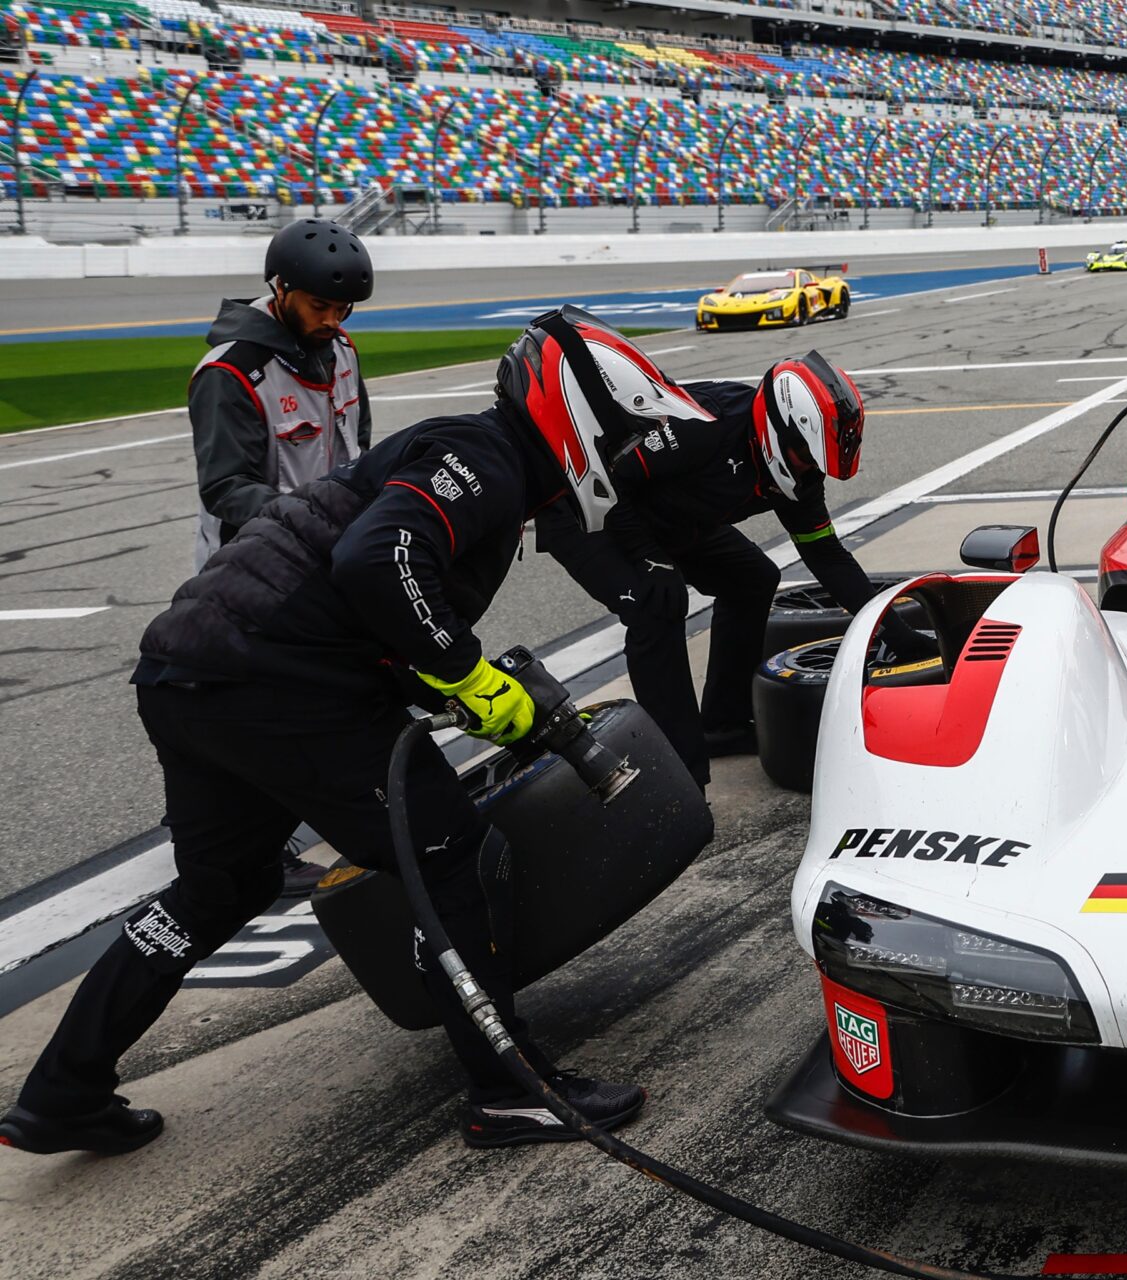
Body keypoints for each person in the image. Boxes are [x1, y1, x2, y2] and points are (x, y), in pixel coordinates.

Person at [0, 308, 709, 1158]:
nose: (634, 460)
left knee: (215, 891)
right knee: (456, 851)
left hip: (194, 671)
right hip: (275, 681)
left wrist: (454, 681)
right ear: (581, 421)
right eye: (629, 440)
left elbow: (374, 597)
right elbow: (379, 563)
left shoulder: (480, 458)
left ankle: (61, 1091)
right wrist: (466, 671)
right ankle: (507, 1089)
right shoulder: (482, 458)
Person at [542, 354, 930, 786]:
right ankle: (676, 766)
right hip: (586, 506)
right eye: (807, 457)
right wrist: (650, 561)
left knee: (753, 578)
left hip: (669, 516)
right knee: (659, 604)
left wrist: (895, 631)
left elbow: (827, 556)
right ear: (779, 430)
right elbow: (603, 480)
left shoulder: (799, 470)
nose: (810, 471)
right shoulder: (703, 427)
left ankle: (722, 724)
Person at [191, 219, 377, 898]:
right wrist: (309, 522)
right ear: (281, 290)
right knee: (267, 711)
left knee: (331, 695)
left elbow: (359, 450)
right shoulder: (231, 373)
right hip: (252, 570)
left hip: (332, 560)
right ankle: (252, 854)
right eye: (319, 307)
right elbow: (225, 488)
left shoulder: (345, 349)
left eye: (343, 310)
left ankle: (219, 819)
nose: (332, 321)